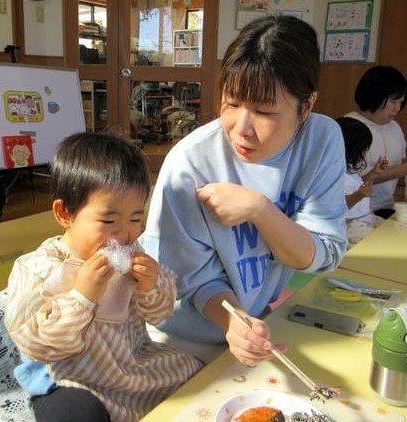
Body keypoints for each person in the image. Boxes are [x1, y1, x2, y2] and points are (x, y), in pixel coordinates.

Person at [142, 15, 348, 367]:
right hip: (182, 340)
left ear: (307, 106)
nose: (241, 129)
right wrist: (236, 322)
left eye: (265, 111)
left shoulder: (322, 139)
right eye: (232, 103)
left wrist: (259, 210)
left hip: (258, 324)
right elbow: (189, 282)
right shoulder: (190, 163)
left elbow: (324, 252)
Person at [4, 132, 203, 422]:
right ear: (64, 214)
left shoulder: (131, 252)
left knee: (195, 373)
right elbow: (35, 344)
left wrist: (151, 286)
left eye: (135, 218)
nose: (124, 233)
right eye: (109, 220)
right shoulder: (37, 269)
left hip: (131, 363)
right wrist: (81, 298)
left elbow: (159, 314)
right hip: (69, 378)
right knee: (74, 414)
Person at [345, 65, 407, 218]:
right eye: (393, 102)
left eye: (401, 103)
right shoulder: (350, 127)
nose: (398, 108)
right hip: (356, 210)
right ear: (375, 95)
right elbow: (357, 178)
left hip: (386, 205)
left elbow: (398, 161)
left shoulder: (394, 127)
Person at [336, 116, 386, 244]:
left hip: (362, 218)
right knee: (383, 238)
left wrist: (373, 173)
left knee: (389, 227)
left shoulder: (347, 170)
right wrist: (359, 195)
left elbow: (356, 186)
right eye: (363, 150)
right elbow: (338, 205)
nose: (365, 155)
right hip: (348, 224)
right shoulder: (333, 173)